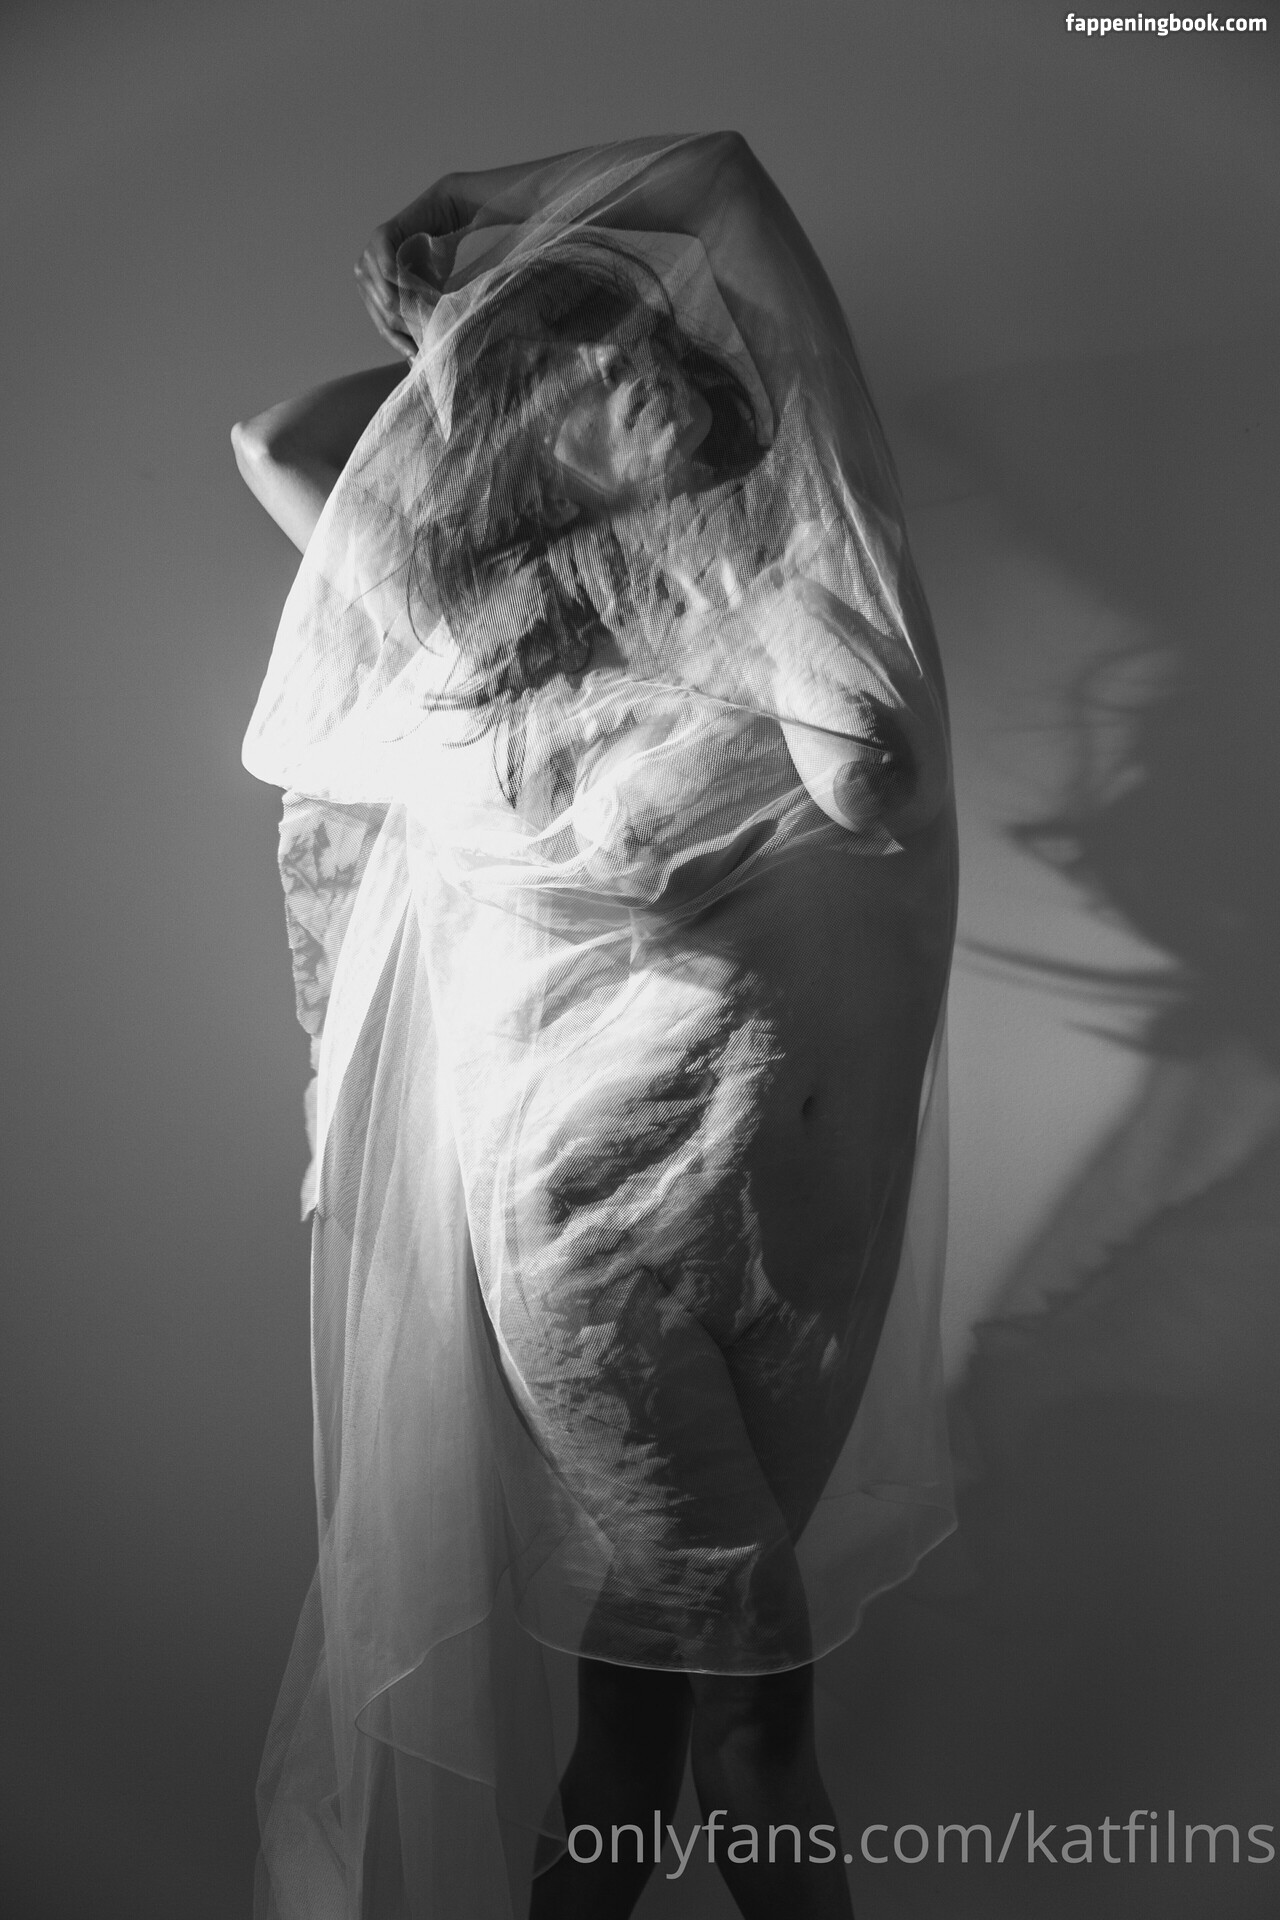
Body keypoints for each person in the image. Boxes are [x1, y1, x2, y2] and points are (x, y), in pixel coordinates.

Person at [235, 133, 958, 1920]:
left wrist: (709, 537)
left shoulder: (780, 578)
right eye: (588, 361)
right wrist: (458, 351)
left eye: (647, 345)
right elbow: (276, 442)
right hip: (590, 1236)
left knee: (635, 1730)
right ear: (519, 409)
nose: (645, 368)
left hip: (801, 1236)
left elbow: (874, 772)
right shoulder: (453, 625)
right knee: (760, 1728)